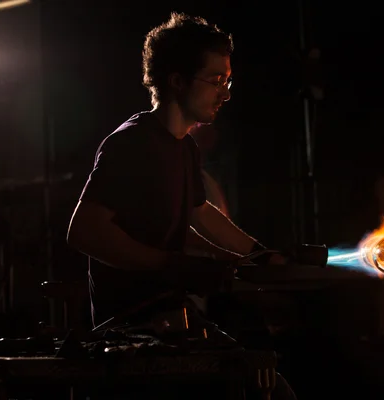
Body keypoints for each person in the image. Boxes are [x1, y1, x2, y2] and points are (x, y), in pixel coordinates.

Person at [66, 12, 296, 399]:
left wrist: (259, 255)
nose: (225, 93)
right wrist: (171, 264)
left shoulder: (184, 148)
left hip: (170, 318)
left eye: (227, 81)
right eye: (215, 80)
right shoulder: (131, 144)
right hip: (129, 329)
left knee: (268, 385)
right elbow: (84, 231)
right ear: (176, 80)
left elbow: (200, 213)